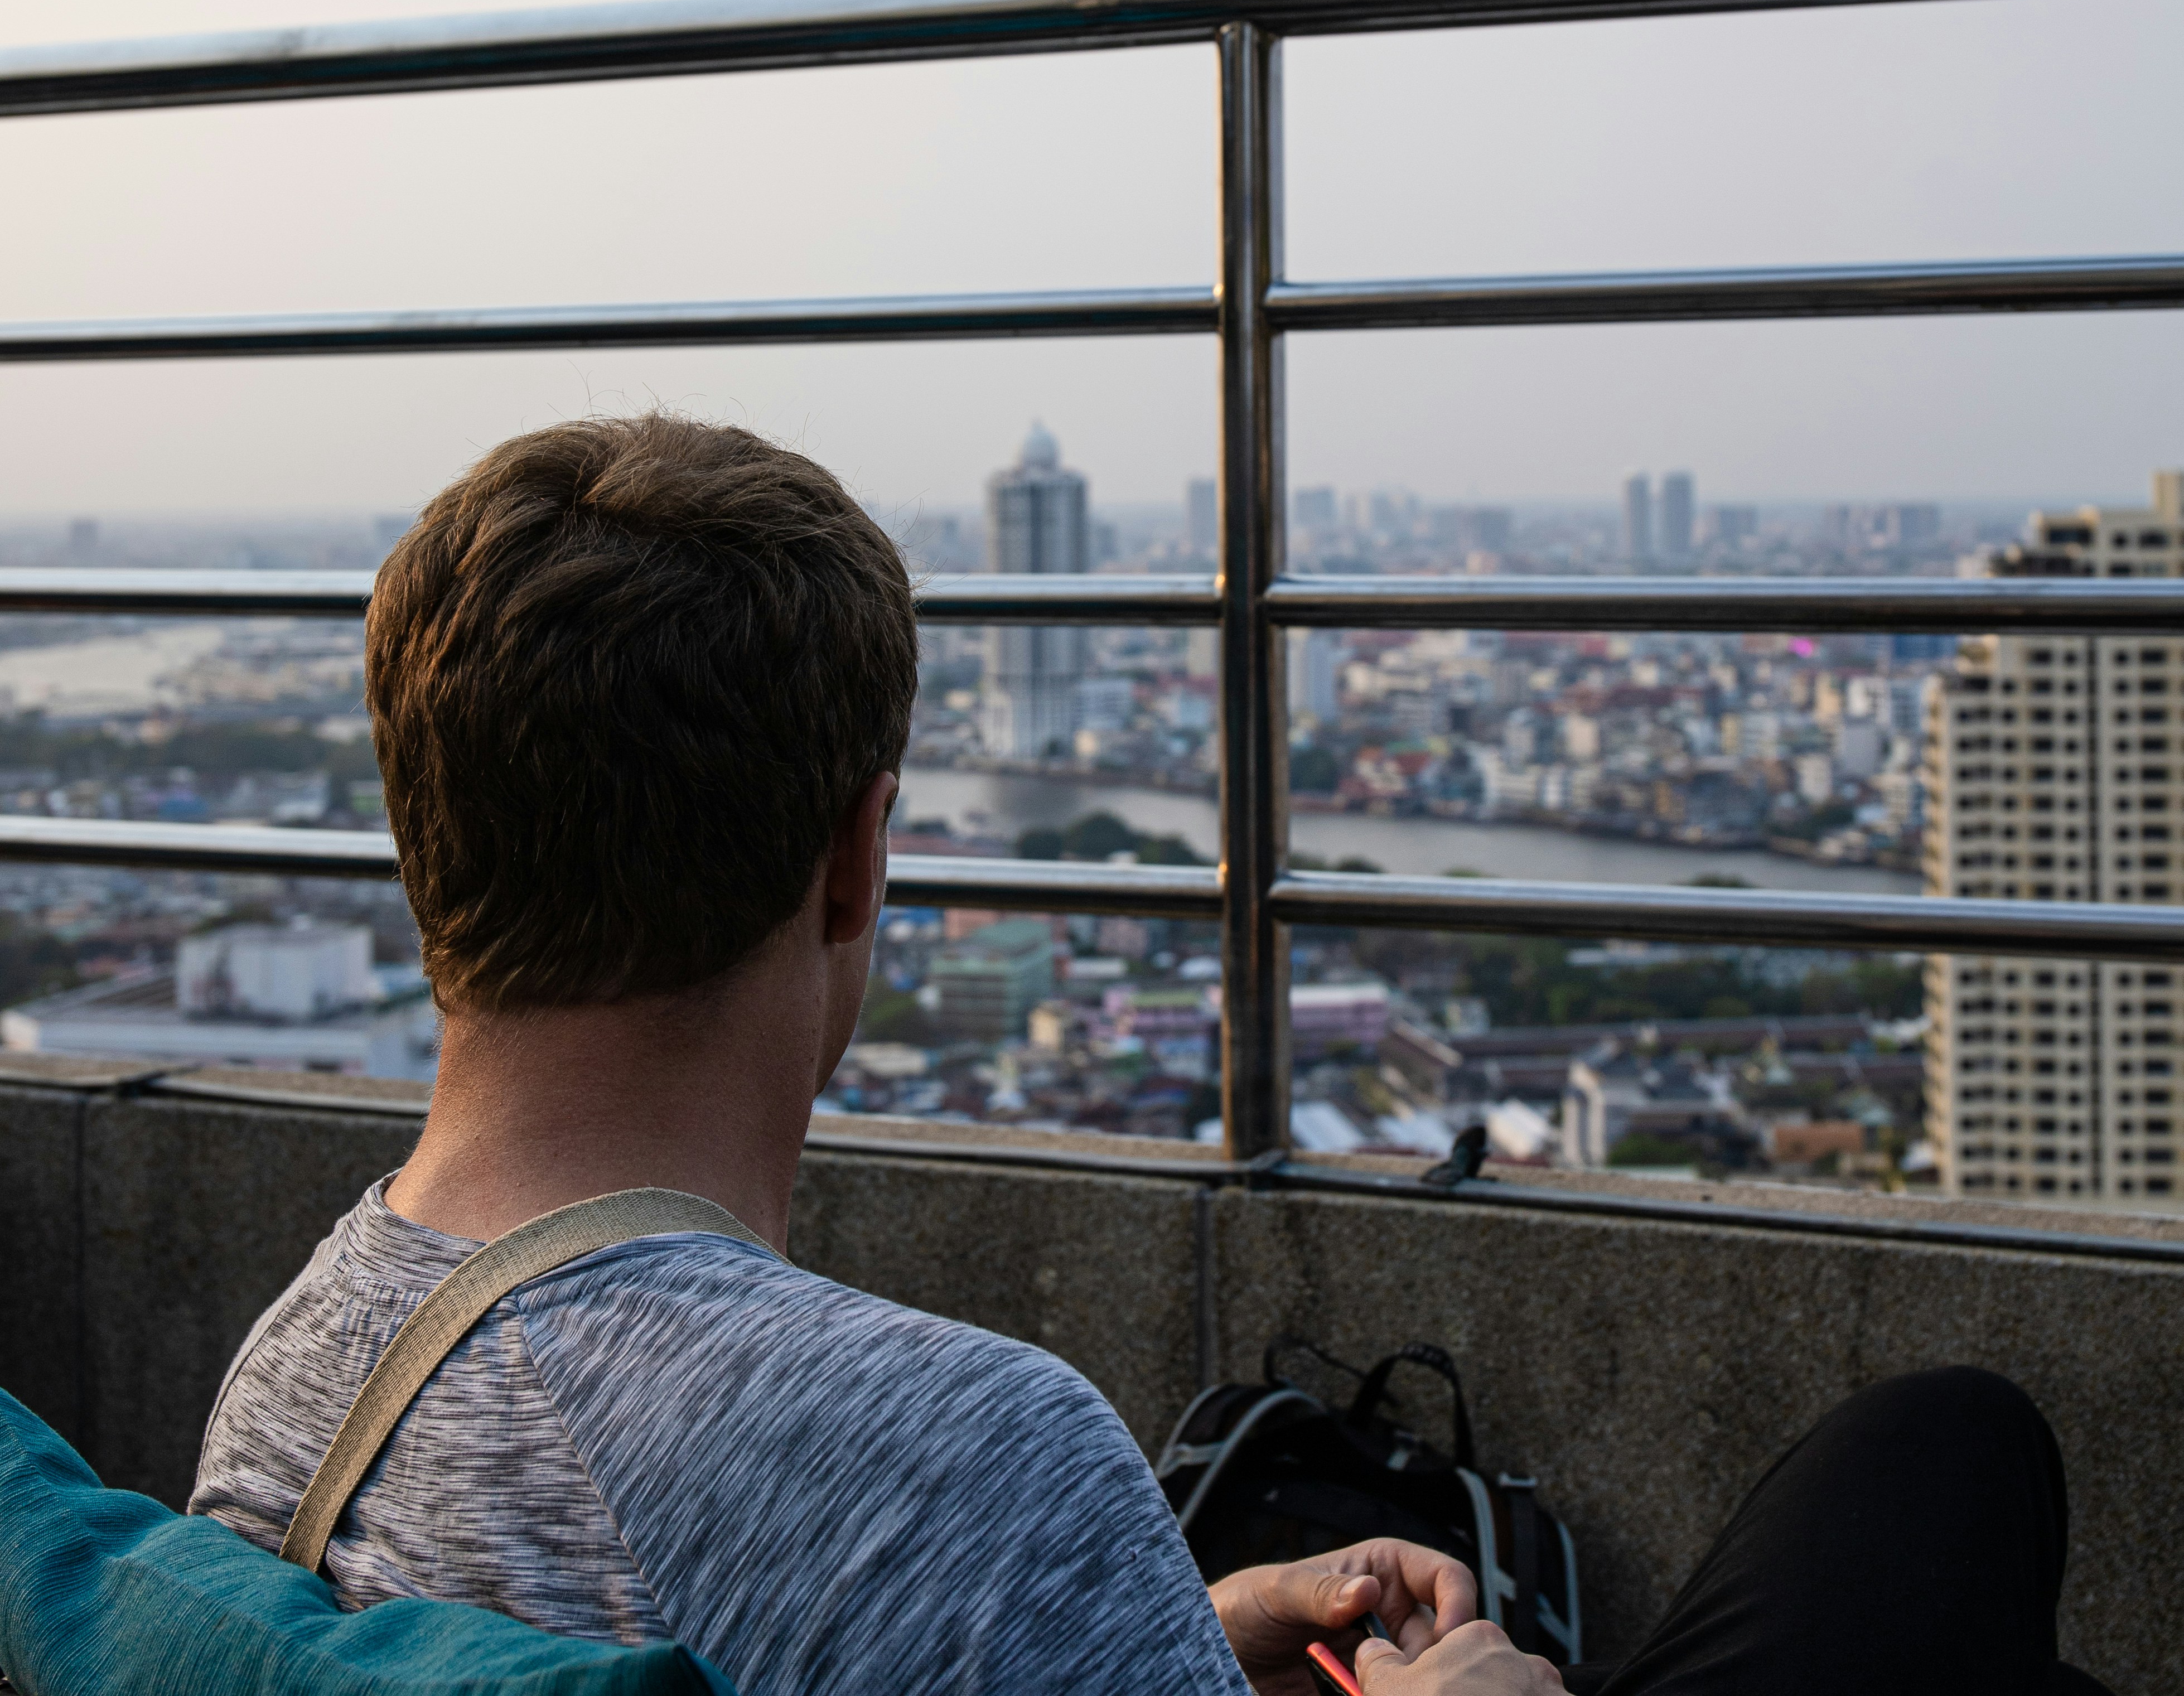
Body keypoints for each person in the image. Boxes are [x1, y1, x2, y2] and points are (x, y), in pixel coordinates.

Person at [191, 415, 2106, 1696]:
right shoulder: (952, 1448)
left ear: (422, 828)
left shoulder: (284, 1400)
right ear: (859, 860)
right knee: (1944, 1460)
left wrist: (1171, 1639)